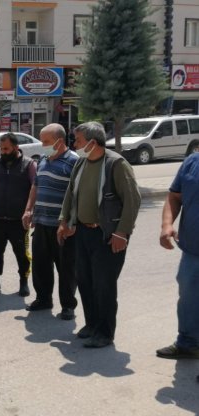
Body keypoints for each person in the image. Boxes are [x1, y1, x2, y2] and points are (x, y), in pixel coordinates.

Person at [58, 121, 141, 348]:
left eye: (78, 140)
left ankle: (105, 332)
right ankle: (92, 324)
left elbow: (132, 201)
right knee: (85, 280)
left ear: (93, 142)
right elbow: (70, 194)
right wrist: (64, 221)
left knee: (103, 285)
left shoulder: (116, 164)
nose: (74, 144)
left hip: (107, 234)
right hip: (83, 232)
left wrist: (122, 232)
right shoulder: (82, 163)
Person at [22, 124, 79, 320]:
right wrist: (29, 209)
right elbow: (35, 186)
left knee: (66, 268)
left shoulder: (74, 162)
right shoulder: (44, 160)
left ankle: (68, 305)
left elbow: (78, 195)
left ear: (59, 141)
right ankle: (44, 298)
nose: (42, 145)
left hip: (62, 226)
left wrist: (71, 222)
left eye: (45, 141)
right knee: (41, 265)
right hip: (41, 223)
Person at [0, 133, 36, 297]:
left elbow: (35, 188)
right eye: (1, 149)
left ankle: (23, 283)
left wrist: (29, 211)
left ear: (16, 148)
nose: (2, 152)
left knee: (22, 254)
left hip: (18, 221)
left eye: (6, 149)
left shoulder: (29, 165)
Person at [156, 152, 199, 359]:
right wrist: (167, 225)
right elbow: (174, 196)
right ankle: (188, 343)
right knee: (189, 298)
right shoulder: (192, 162)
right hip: (192, 250)